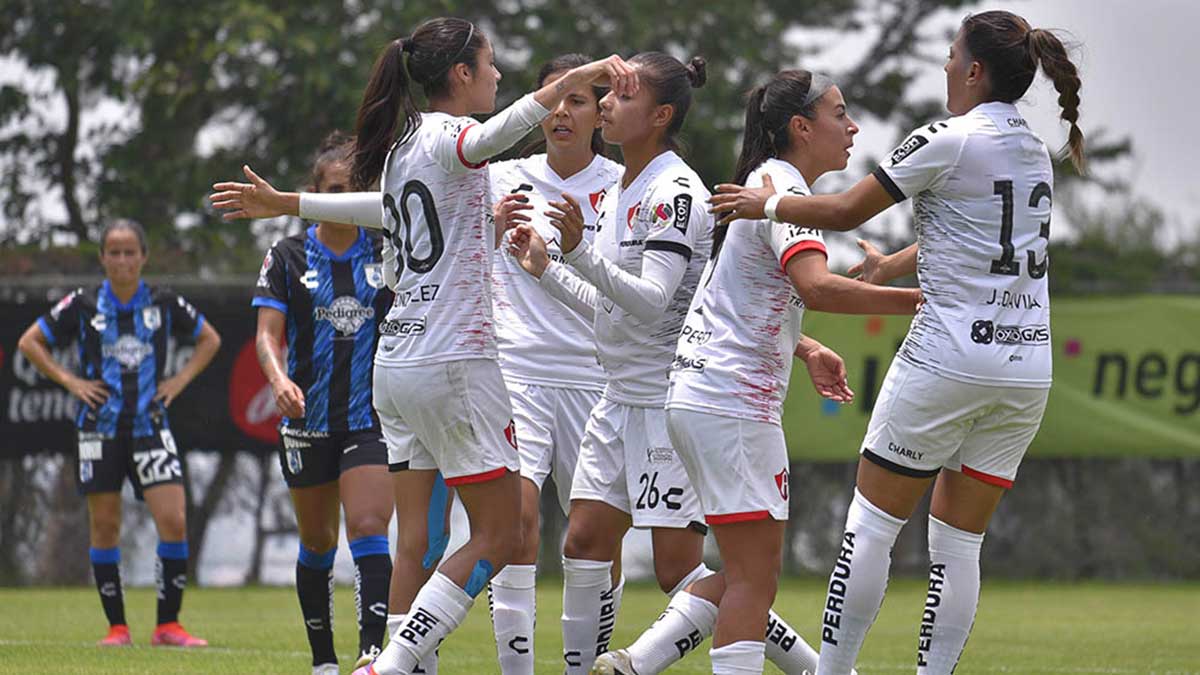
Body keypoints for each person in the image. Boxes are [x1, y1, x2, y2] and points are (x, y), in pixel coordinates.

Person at [209, 17, 636, 675]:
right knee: (501, 535)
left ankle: (397, 662)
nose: (497, 76)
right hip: (454, 365)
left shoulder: (406, 145)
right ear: (461, 74)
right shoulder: (448, 135)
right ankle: (388, 664)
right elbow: (499, 131)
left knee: (416, 540)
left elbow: (381, 210)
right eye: (491, 65)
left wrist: (287, 200)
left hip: (397, 366)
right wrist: (577, 79)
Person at [707, 10, 1083, 674]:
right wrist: (893, 265)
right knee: (959, 543)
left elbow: (849, 208)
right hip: (1026, 367)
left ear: (974, 70)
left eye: (950, 55)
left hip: (948, 355)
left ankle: (832, 671)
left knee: (871, 525)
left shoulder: (947, 136)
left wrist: (762, 204)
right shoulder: (1032, 149)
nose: (943, 66)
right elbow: (983, 236)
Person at [592, 69, 921, 675]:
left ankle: (633, 664)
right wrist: (924, 301)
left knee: (740, 574)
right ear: (800, 127)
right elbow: (814, 286)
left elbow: (763, 297)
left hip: (704, 398)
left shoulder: (769, 187)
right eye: (839, 113)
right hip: (730, 405)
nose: (852, 127)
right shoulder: (780, 185)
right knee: (753, 579)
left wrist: (807, 343)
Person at [508, 52, 825, 675]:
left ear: (660, 115)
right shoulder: (619, 186)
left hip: (667, 398)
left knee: (686, 573)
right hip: (618, 395)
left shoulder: (675, 191)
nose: (603, 105)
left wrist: (576, 255)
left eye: (620, 98)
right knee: (584, 542)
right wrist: (548, 268)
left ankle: (818, 668)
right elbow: (609, 307)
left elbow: (652, 306)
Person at [16, 218, 221, 647]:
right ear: (103, 258)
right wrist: (72, 382)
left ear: (144, 257)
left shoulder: (164, 301)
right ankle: (117, 628)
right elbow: (30, 342)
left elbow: (210, 339)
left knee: (174, 520)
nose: (123, 260)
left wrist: (176, 383)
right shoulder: (83, 303)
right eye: (115, 252)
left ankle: (168, 625)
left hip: (151, 425)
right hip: (99, 429)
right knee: (106, 525)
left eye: (131, 252)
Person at [486, 53, 623, 675]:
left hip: (600, 378)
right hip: (517, 369)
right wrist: (487, 233)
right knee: (516, 520)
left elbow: (666, 289)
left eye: (577, 100)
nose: (562, 111)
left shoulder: (627, 187)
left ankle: (587, 666)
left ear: (601, 113)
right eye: (552, 98)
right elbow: (413, 220)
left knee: (596, 539)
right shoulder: (499, 177)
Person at [251, 132, 398, 673]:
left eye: (354, 188)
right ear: (313, 193)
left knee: (367, 524)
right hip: (306, 419)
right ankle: (323, 661)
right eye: (333, 189)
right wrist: (276, 378)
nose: (343, 198)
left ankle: (372, 655)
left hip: (370, 419)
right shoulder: (286, 255)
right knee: (317, 539)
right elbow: (267, 334)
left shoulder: (387, 250)